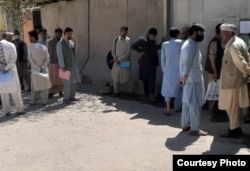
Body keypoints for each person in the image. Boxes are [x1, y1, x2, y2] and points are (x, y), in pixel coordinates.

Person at [219, 23, 250, 138]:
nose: (222, 37)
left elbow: (241, 63)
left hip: (232, 82)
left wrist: (247, 72)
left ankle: (234, 130)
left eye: (223, 34)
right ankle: (235, 128)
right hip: (236, 80)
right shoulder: (239, 41)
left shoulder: (233, 46)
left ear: (228, 34)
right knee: (234, 107)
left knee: (231, 107)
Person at [179, 23, 207, 136]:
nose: (202, 35)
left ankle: (185, 124)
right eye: (201, 32)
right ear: (194, 32)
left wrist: (183, 77)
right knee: (194, 104)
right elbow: (187, 63)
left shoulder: (187, 44)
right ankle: (195, 128)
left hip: (188, 78)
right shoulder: (191, 46)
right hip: (193, 78)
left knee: (187, 102)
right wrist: (184, 77)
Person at [131, 28, 160, 102]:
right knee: (145, 80)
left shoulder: (153, 41)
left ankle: (152, 95)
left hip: (152, 63)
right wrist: (140, 51)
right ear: (149, 34)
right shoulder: (143, 40)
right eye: (152, 36)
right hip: (144, 63)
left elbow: (154, 49)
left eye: (154, 36)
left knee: (152, 79)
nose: (152, 37)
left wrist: (160, 45)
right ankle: (147, 94)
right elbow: (133, 46)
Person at [0, 32, 25, 117]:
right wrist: (7, 68)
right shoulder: (10, 45)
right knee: (15, 90)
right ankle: (20, 109)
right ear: (6, 36)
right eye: (10, 36)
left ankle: (7, 111)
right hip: (10, 70)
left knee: (3, 92)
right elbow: (13, 58)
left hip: (0, 72)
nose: (12, 37)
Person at [161, 27, 183, 116]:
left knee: (167, 90)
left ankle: (168, 109)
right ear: (178, 34)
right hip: (179, 70)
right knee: (180, 88)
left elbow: (163, 59)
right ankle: (178, 107)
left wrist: (164, 70)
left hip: (168, 70)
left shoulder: (165, 44)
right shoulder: (182, 43)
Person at [56, 27, 81, 104]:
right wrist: (62, 66)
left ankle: (72, 96)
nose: (71, 35)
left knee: (74, 82)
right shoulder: (60, 44)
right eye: (70, 34)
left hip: (73, 65)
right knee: (66, 83)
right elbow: (60, 56)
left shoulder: (70, 42)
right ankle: (66, 98)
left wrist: (75, 41)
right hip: (64, 67)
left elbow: (75, 49)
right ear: (66, 34)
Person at [204, 23, 224, 114]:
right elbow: (212, 58)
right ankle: (211, 109)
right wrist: (215, 72)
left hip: (216, 70)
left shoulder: (219, 41)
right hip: (213, 72)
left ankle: (215, 108)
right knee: (212, 90)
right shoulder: (215, 42)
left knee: (216, 90)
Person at [28, 30, 51, 106]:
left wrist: (38, 68)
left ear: (33, 38)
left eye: (29, 37)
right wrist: (42, 67)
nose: (29, 38)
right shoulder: (44, 47)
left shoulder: (30, 48)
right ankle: (44, 101)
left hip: (36, 70)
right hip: (43, 70)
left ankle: (33, 101)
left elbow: (31, 60)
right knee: (44, 85)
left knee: (34, 85)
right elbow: (48, 58)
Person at [111, 26, 133, 97]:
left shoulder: (128, 40)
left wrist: (120, 59)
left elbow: (128, 53)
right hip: (116, 61)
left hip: (124, 61)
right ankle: (116, 91)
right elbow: (113, 50)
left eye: (124, 31)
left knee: (127, 77)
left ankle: (130, 91)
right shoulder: (116, 40)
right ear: (120, 31)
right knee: (116, 77)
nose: (123, 33)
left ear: (126, 32)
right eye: (122, 31)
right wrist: (115, 58)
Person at [47, 27, 64, 98]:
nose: (59, 34)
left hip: (61, 63)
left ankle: (61, 91)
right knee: (51, 77)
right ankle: (51, 92)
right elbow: (47, 51)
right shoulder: (50, 41)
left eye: (60, 33)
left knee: (62, 77)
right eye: (58, 33)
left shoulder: (63, 42)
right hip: (51, 62)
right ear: (55, 33)